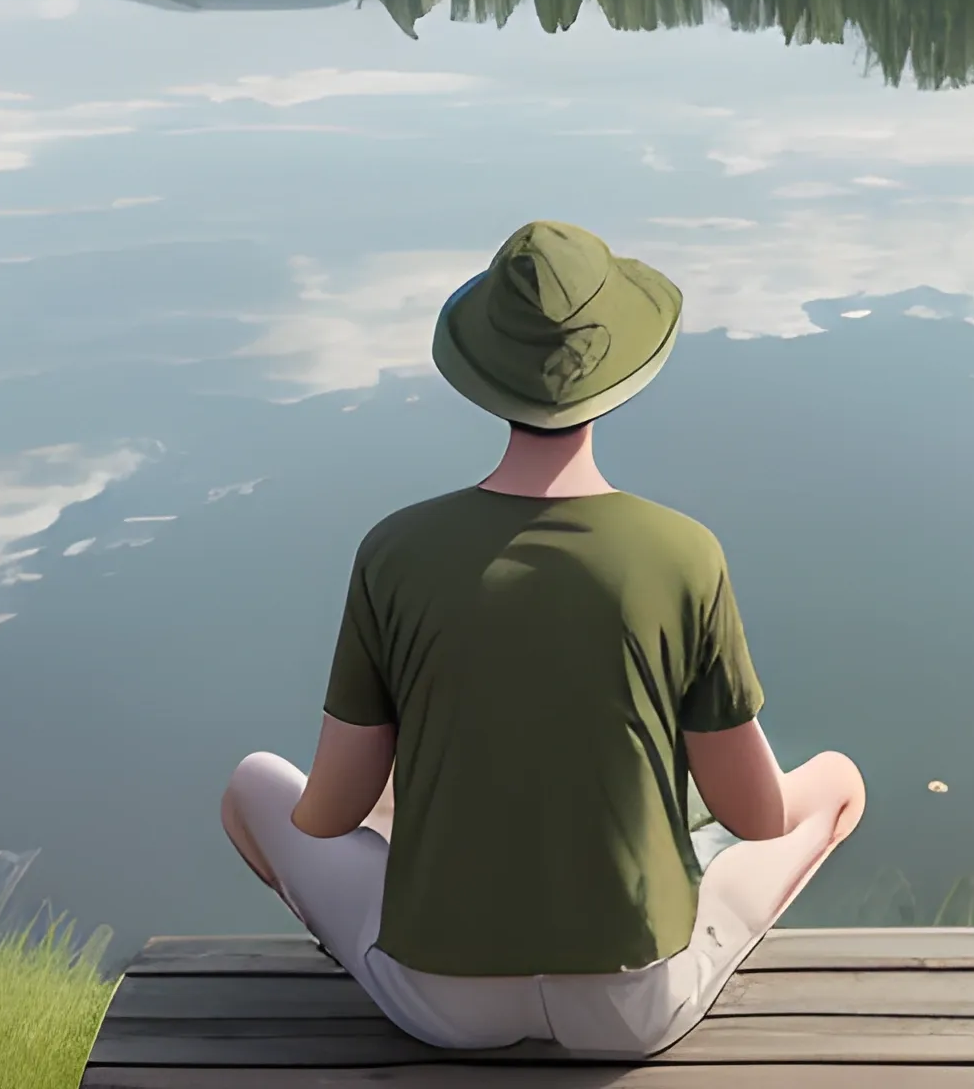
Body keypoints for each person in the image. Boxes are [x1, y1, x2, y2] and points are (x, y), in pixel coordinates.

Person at [219, 219, 865, 1057]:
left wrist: (400, 821)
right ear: (622, 371)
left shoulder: (395, 551)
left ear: (483, 372)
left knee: (251, 786)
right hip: (637, 1006)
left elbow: (331, 811)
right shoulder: (683, 554)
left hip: (438, 1002)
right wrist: (824, 789)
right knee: (833, 786)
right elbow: (753, 814)